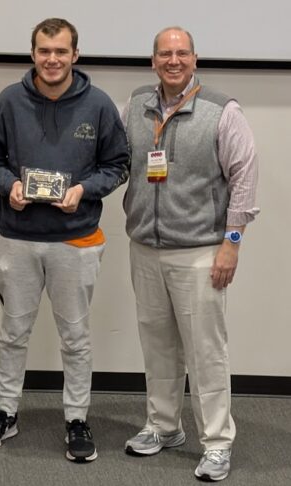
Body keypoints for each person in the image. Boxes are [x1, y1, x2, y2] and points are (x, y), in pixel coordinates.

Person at [0, 18, 129, 463]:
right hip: (17, 238)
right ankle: (6, 411)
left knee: (75, 337)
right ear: (33, 53)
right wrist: (9, 187)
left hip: (75, 239)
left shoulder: (98, 104)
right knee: (13, 333)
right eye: (44, 51)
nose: (52, 59)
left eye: (61, 51)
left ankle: (77, 418)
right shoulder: (9, 100)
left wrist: (83, 191)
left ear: (75, 55)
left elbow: (118, 165)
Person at [122, 27, 259, 482]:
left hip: (202, 252)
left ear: (195, 59)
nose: (173, 60)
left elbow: (244, 181)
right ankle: (164, 426)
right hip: (144, 247)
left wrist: (231, 245)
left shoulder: (223, 111)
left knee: (206, 353)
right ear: (153, 61)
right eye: (165, 53)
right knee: (157, 345)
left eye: (182, 53)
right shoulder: (137, 104)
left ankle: (217, 442)